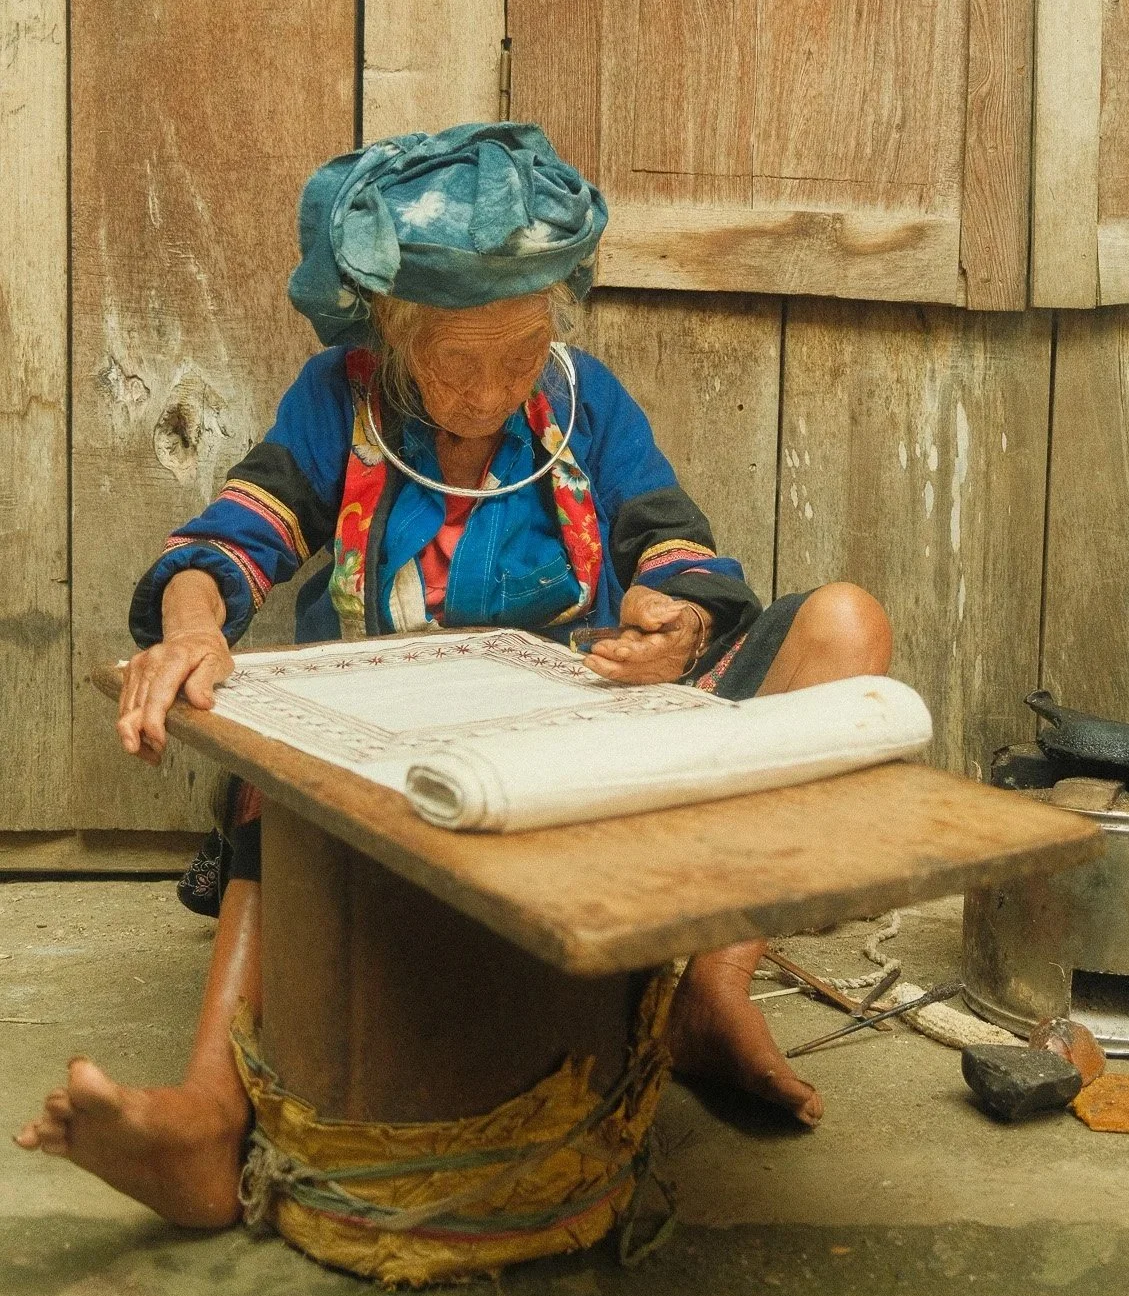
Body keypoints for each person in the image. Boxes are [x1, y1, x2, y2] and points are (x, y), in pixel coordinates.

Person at [16, 124, 892, 1227]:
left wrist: (671, 619)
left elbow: (676, 545)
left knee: (847, 628)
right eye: (455, 359)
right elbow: (236, 533)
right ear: (388, 333)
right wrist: (193, 625)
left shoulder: (583, 400)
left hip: (568, 738)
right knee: (252, 722)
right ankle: (208, 1115)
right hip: (389, 748)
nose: (487, 391)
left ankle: (708, 993)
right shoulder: (342, 397)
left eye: (517, 353)